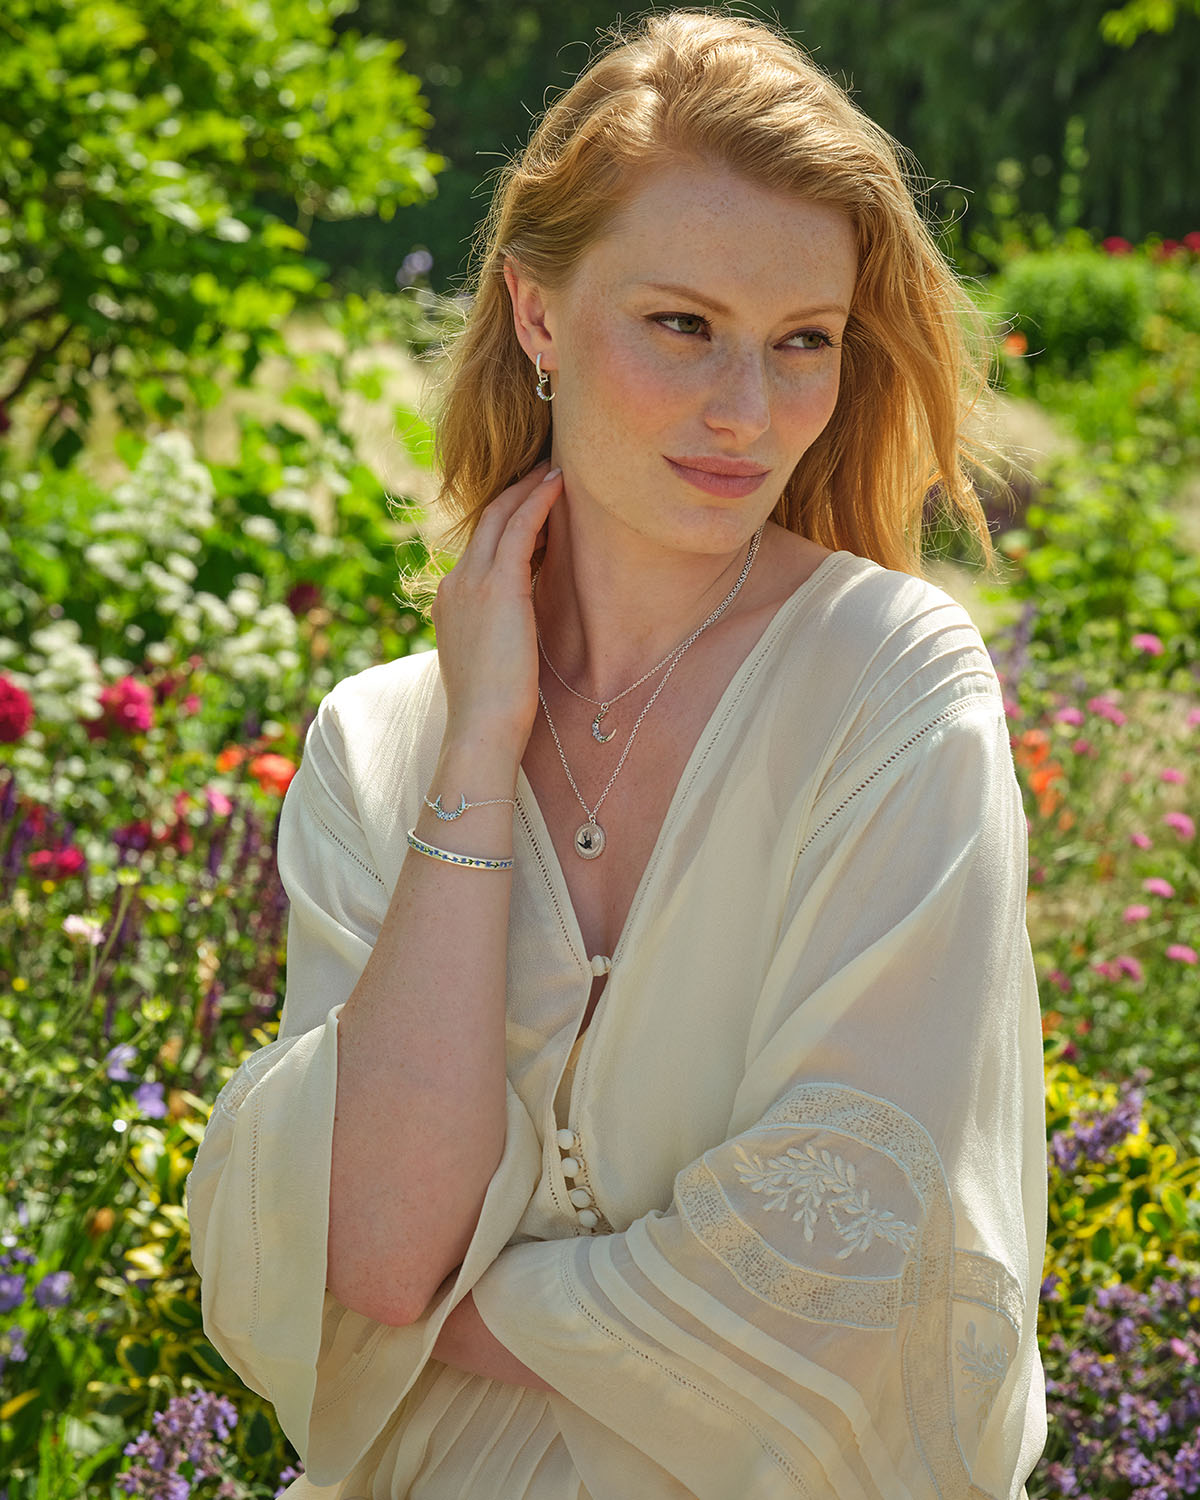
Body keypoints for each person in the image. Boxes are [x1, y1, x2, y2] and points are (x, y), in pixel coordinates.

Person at [186, 11, 1048, 1499]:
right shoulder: (381, 744)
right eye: (682, 324)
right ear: (535, 314)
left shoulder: (895, 690)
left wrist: (452, 1300)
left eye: (803, 345)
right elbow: (385, 1248)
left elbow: (843, 1259)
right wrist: (477, 758)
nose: (748, 413)